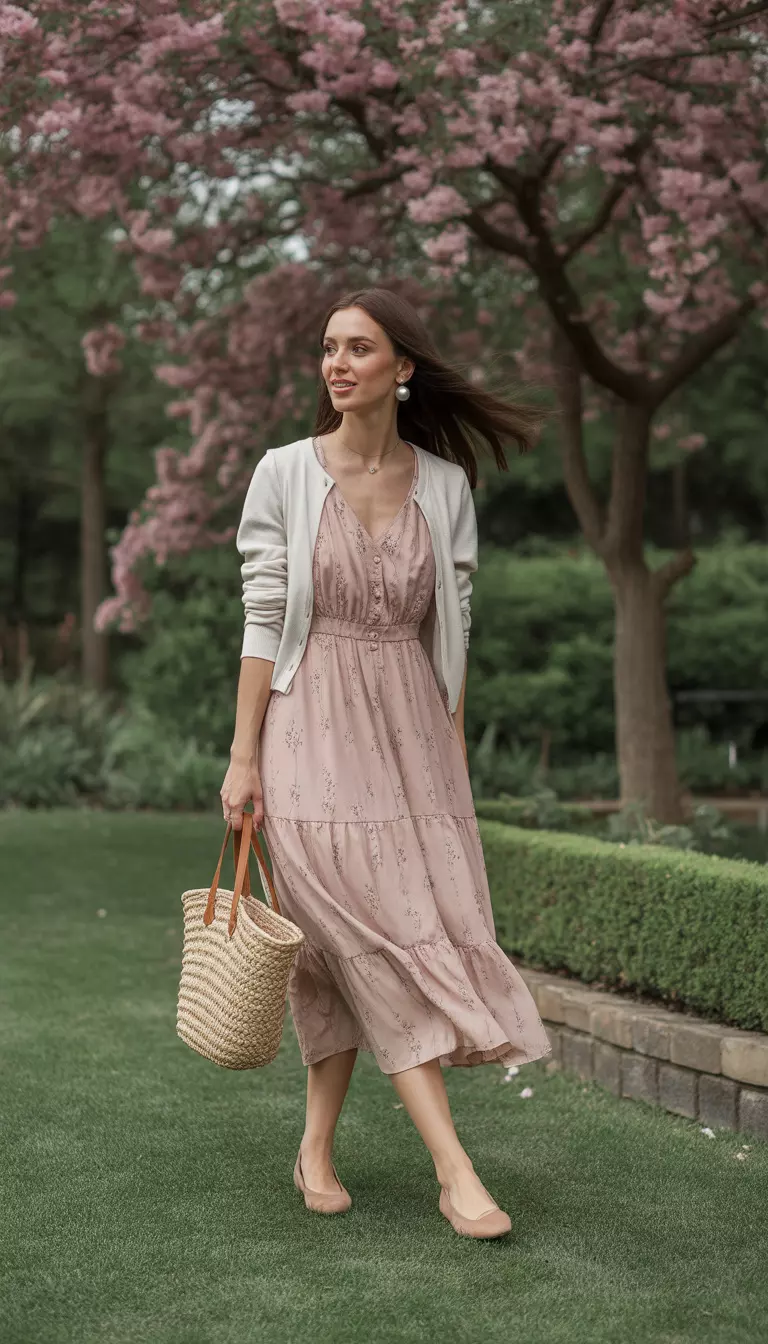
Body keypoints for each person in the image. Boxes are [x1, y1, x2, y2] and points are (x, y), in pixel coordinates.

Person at [221, 287, 553, 1239]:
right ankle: (457, 1172)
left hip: (411, 740)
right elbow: (261, 617)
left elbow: (453, 631)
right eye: (328, 347)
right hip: (305, 730)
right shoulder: (283, 473)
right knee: (370, 936)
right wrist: (244, 759)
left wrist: (452, 757)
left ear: (402, 369)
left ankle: (315, 1146)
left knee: (346, 952)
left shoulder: (445, 486)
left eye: (359, 348)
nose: (337, 364)